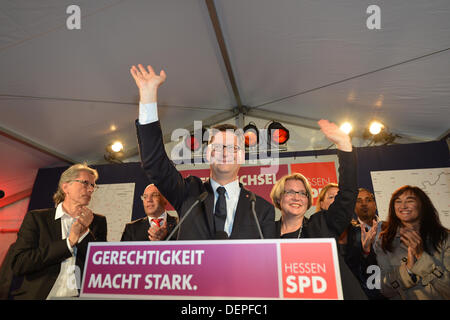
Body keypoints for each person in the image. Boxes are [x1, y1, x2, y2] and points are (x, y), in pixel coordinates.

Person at [131, 64, 276, 239]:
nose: (224, 152)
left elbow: (267, 262)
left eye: (232, 148)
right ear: (207, 154)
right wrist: (148, 96)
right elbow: (155, 164)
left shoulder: (260, 209)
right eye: (218, 147)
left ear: (242, 156)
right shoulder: (189, 194)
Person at [270, 120, 367, 299]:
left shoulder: (322, 224)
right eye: (290, 192)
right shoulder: (265, 232)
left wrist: (344, 146)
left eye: (302, 193)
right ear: (278, 198)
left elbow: (347, 193)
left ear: (308, 201)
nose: (297, 197)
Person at [10, 164, 107, 299]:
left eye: (93, 185)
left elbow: (100, 266)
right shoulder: (37, 218)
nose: (91, 189)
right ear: (65, 186)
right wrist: (68, 243)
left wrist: (85, 232)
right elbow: (20, 264)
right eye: (85, 183)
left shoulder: (98, 222)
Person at [373, 185, 449, 299]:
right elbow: (383, 289)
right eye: (398, 202)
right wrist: (408, 269)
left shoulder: (445, 237)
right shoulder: (384, 241)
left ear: (422, 205)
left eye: (410, 201)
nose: (403, 206)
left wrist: (421, 257)